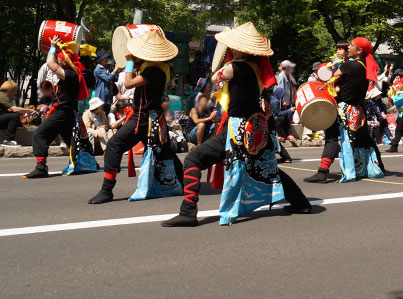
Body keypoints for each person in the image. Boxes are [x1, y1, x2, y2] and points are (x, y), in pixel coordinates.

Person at [162, 22, 310, 227]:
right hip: (256, 127)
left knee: (193, 159)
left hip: (238, 129)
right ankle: (301, 203)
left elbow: (215, 78)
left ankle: (188, 212)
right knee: (267, 167)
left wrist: (224, 59)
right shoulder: (257, 67)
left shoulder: (233, 68)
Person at [88, 30, 179, 203]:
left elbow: (129, 82)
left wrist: (129, 62)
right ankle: (186, 181)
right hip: (151, 118)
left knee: (114, 145)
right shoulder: (157, 67)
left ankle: (107, 190)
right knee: (164, 152)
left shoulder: (153, 70)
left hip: (144, 118)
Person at [304, 37, 384, 183]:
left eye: (351, 46)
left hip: (344, 110)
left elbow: (327, 79)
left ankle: (323, 171)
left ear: (359, 51)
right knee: (364, 139)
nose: (348, 48)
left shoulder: (349, 66)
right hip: (358, 110)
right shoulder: (363, 66)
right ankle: (377, 166)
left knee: (332, 137)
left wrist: (329, 70)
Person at [23, 35, 89, 178]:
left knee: (40, 134)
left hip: (63, 112)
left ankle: (41, 167)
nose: (56, 60)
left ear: (64, 62)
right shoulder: (69, 75)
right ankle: (87, 162)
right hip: (64, 112)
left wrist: (52, 46)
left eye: (59, 58)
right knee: (70, 140)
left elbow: (50, 63)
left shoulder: (71, 75)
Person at [0, 81, 34, 147]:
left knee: (12, 116)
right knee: (14, 116)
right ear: (9, 90)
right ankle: (8, 140)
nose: (14, 93)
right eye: (14, 91)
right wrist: (28, 110)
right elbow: (15, 109)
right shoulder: (2, 96)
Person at [94, 49, 121, 114]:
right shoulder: (98, 70)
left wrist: (116, 72)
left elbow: (115, 79)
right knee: (102, 117)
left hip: (108, 97)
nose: (107, 59)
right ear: (101, 59)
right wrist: (115, 70)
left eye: (107, 57)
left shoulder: (107, 68)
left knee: (106, 116)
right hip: (101, 97)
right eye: (105, 58)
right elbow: (108, 79)